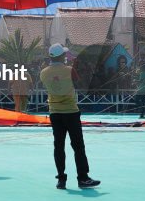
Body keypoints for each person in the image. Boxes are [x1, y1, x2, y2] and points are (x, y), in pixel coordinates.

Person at [40, 44, 100, 189]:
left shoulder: (43, 72)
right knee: (78, 146)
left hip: (54, 112)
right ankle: (83, 178)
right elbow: (80, 84)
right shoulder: (70, 70)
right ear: (62, 56)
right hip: (71, 112)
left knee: (59, 146)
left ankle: (61, 179)